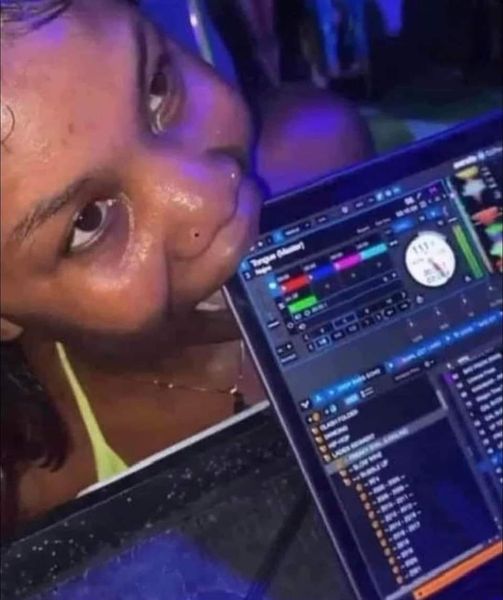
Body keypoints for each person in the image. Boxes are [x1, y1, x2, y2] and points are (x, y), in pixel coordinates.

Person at [0, 0, 373, 535]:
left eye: (156, 87)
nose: (212, 195)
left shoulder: (322, 153)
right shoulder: (44, 492)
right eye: (88, 222)